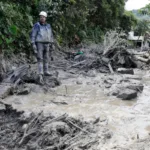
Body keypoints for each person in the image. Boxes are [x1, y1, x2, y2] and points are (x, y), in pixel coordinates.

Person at [31, 11, 54, 76]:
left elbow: (51, 35)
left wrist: (52, 43)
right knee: (40, 57)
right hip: (39, 43)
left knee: (46, 58)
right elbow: (33, 35)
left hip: (47, 44)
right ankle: (40, 72)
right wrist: (33, 44)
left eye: (43, 17)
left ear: (45, 18)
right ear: (39, 18)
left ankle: (46, 71)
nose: (42, 18)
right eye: (41, 17)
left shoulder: (48, 26)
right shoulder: (36, 25)